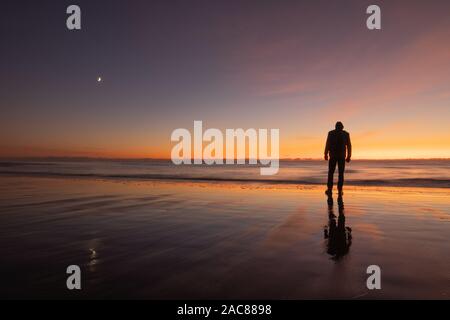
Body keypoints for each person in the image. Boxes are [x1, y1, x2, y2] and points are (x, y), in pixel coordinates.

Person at [324, 121, 351, 196]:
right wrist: (349, 156)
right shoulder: (346, 134)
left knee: (331, 173)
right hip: (341, 156)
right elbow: (349, 146)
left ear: (335, 126)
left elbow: (327, 144)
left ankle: (330, 189)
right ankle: (339, 190)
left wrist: (325, 153)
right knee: (340, 173)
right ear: (342, 127)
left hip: (333, 156)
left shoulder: (331, 133)